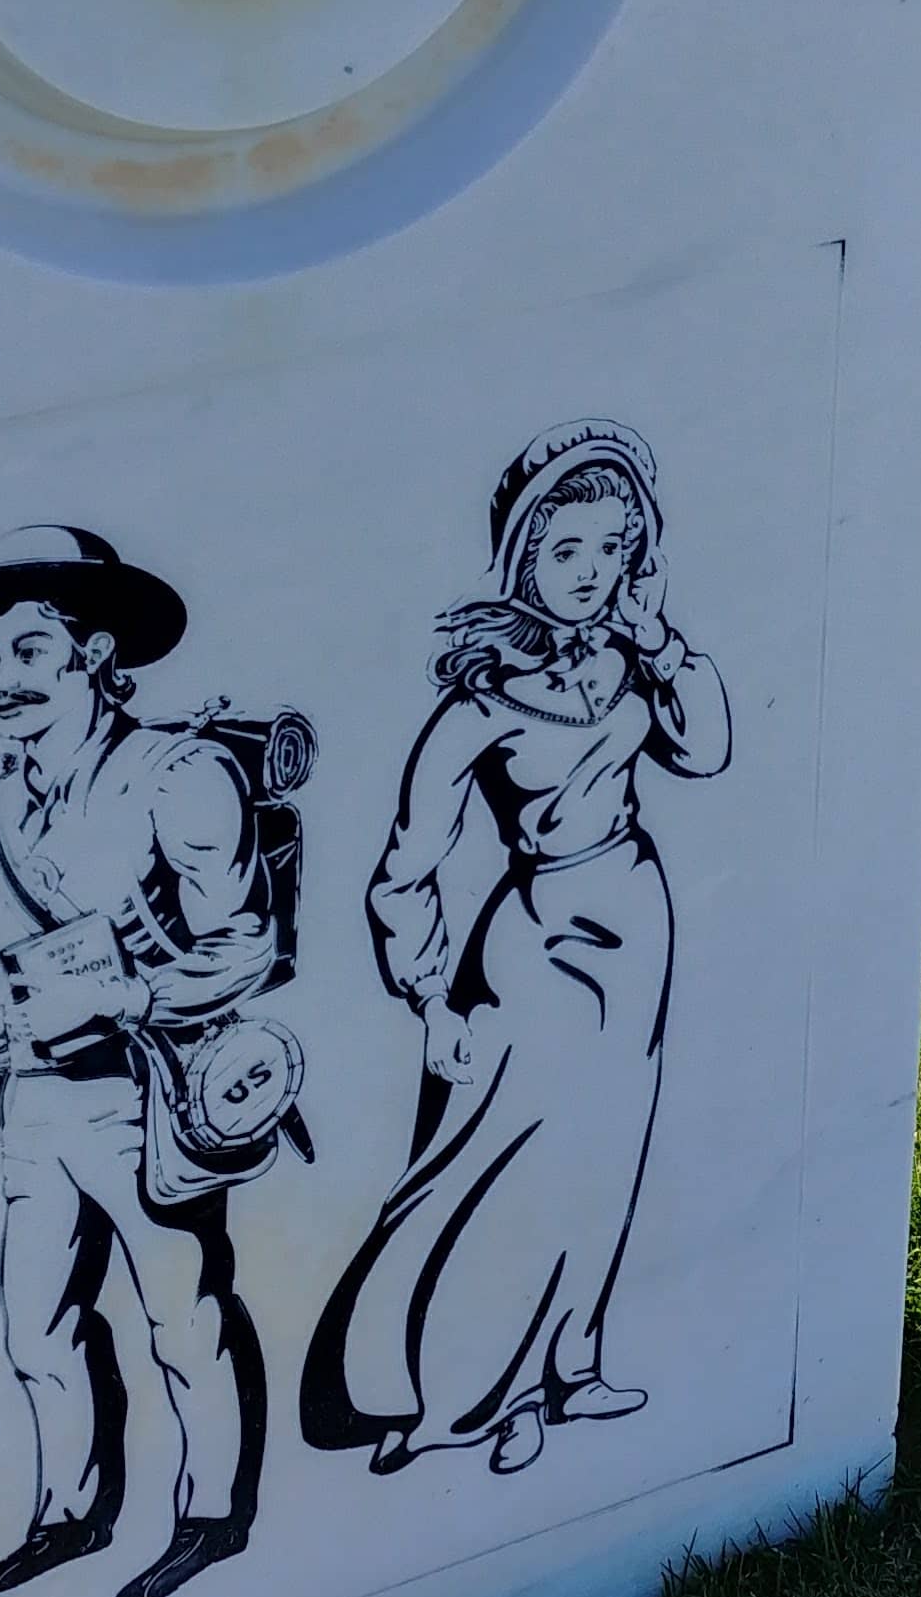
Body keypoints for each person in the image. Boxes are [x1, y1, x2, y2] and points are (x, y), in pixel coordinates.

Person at [0, 525, 297, 1597]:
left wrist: (130, 995)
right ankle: (72, 1509)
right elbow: (3, 991)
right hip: (38, 1102)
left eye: (24, 649)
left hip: (156, 1086)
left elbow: (248, 945)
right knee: (32, 1322)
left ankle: (210, 1513)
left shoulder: (179, 775)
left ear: (97, 650)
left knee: (181, 1306)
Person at [300, 425, 728, 1482]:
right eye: (566, 549)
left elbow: (708, 749)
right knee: (510, 1161)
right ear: (522, 557)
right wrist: (432, 1001)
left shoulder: (633, 661)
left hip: (637, 918)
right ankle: (485, 1396)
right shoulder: (479, 704)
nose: (591, 574)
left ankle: (573, 1364)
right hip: (535, 941)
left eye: (611, 549)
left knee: (609, 1146)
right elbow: (404, 868)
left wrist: (664, 639)